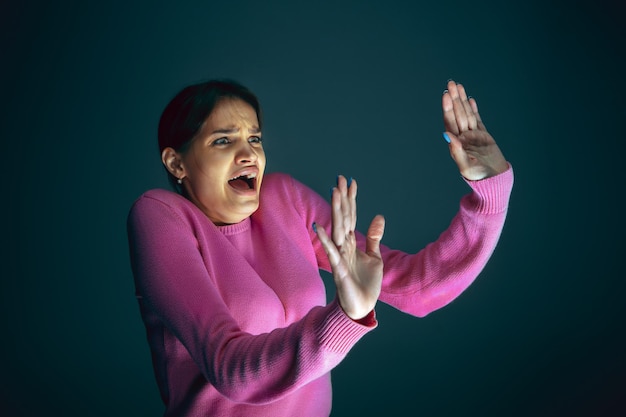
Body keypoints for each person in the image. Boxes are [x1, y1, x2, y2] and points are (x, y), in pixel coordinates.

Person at [127, 79, 513, 416]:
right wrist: (345, 317)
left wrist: (491, 192)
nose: (248, 154)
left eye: (255, 138)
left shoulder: (281, 200)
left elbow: (419, 289)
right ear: (176, 163)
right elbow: (229, 368)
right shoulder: (161, 218)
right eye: (223, 140)